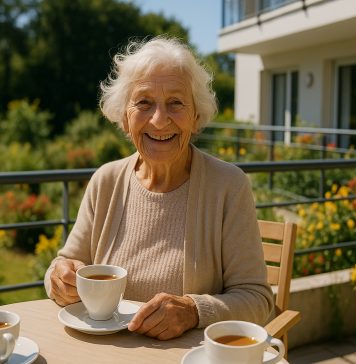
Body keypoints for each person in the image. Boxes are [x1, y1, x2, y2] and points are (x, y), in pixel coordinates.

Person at [44, 36, 273, 340]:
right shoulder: (106, 180)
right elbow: (62, 264)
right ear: (125, 118)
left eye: (175, 103)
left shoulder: (228, 186)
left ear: (195, 117)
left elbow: (257, 299)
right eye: (144, 103)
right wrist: (59, 278)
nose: (159, 120)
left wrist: (193, 310)